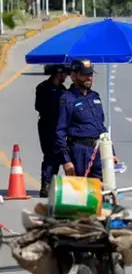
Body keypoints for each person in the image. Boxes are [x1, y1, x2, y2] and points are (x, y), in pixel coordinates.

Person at [56, 59, 117, 180]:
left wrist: (111, 152)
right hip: (80, 151)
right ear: (73, 76)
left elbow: (101, 127)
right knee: (81, 191)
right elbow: (60, 132)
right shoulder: (67, 99)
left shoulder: (95, 96)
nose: (89, 78)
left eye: (90, 74)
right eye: (84, 74)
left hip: (99, 149)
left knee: (103, 188)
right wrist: (66, 160)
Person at [36, 64, 70, 197]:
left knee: (59, 155)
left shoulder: (63, 90)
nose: (66, 76)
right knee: (50, 155)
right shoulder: (43, 88)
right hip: (47, 126)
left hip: (60, 127)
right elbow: (39, 106)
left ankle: (54, 183)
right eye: (65, 73)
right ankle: (46, 184)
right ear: (58, 73)